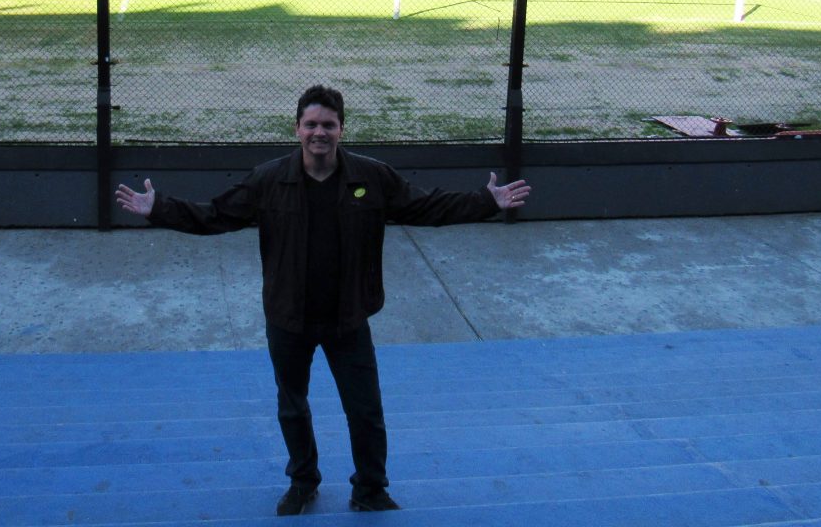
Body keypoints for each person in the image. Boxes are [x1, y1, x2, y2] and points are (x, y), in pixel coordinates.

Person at [116, 84, 532, 516]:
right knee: (292, 407)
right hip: (288, 318)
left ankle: (370, 489)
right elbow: (215, 215)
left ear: (341, 130)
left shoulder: (371, 177)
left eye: (328, 125)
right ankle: (303, 482)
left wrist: (485, 202)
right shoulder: (269, 179)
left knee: (365, 410)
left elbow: (427, 207)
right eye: (311, 124)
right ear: (296, 129)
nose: (320, 132)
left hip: (347, 318)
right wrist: (158, 209)